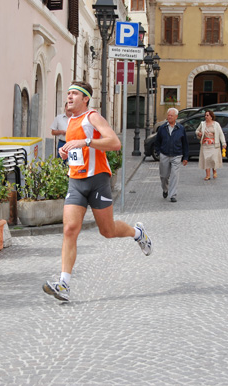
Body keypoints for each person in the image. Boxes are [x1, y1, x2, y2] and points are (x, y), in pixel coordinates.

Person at [42, 81, 153, 302]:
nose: (69, 97)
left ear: (85, 99)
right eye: (68, 93)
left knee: (107, 230)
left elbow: (115, 143)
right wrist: (66, 151)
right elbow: (77, 150)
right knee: (70, 229)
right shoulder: (71, 121)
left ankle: (138, 234)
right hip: (76, 181)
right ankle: (64, 284)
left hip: (98, 179)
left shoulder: (92, 117)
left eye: (74, 94)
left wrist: (86, 141)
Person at [154, 108, 188, 202]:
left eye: (171, 115)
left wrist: (185, 157)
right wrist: (158, 152)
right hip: (164, 154)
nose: (169, 117)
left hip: (177, 155)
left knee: (174, 175)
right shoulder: (162, 128)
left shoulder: (180, 128)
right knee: (164, 176)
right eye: (168, 115)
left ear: (176, 117)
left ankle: (173, 195)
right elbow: (157, 142)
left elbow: (185, 143)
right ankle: (165, 189)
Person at [195, 110, 226, 181]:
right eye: (205, 115)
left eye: (207, 115)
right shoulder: (202, 124)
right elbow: (196, 131)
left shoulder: (216, 124)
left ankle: (214, 171)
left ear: (211, 116)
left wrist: (223, 143)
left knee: (213, 159)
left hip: (214, 145)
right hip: (205, 145)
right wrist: (199, 133)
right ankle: (208, 175)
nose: (206, 117)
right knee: (206, 160)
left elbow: (221, 134)